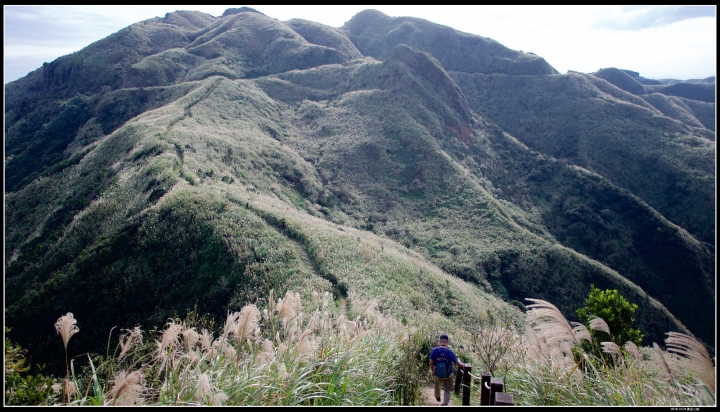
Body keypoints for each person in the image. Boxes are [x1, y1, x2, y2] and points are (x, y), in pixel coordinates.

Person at [429, 333, 464, 406]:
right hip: (449, 374)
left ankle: (437, 396)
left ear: (440, 341)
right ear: (447, 342)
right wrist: (463, 365)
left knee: (437, 386)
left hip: (438, 374)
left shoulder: (434, 350)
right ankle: (445, 404)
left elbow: (431, 362)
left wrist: (432, 369)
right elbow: (458, 363)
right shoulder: (450, 352)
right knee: (447, 390)